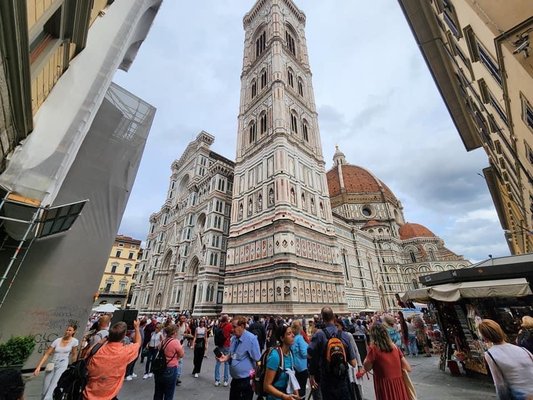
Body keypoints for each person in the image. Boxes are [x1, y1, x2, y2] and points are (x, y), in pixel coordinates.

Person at [308, 307, 358, 400]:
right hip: (343, 379)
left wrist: (312, 374)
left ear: (322, 318)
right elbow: (353, 363)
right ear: (334, 318)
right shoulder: (344, 335)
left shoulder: (319, 335)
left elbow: (310, 354)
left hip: (327, 380)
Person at [83, 320, 141, 400]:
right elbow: (138, 343)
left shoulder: (97, 349)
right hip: (109, 396)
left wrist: (106, 338)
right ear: (124, 335)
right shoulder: (125, 352)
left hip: (88, 394)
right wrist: (137, 328)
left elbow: (88, 354)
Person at [478, 319, 533, 399]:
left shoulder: (490, 354)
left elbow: (500, 384)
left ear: (485, 337)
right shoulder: (522, 350)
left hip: (521, 395)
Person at [216, 316, 261, 400]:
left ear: (242, 326)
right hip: (235, 380)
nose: (232, 329)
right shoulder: (233, 339)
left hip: (246, 381)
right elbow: (232, 354)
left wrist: (254, 379)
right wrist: (225, 358)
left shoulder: (251, 339)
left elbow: (258, 361)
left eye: (234, 327)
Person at [363, 324, 411, 400]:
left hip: (385, 386)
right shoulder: (395, 347)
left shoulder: (374, 349)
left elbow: (367, 367)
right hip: (399, 384)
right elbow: (408, 368)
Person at [34, 324, 79, 400]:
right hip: (52, 363)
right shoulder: (57, 340)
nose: (67, 331)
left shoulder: (74, 341)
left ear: (74, 331)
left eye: (70, 330)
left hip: (63, 363)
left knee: (53, 386)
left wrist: (73, 367)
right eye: (67, 329)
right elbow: (47, 354)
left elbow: (74, 354)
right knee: (45, 387)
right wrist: (38, 366)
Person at [264, 324, 300, 400]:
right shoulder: (275, 356)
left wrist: (296, 393)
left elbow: (291, 377)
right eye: (289, 334)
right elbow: (266, 386)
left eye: (292, 333)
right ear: (282, 338)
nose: (293, 335)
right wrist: (284, 396)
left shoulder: (290, 353)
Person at [153, 324, 185, 400]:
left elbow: (159, 348)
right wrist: (182, 347)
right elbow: (181, 355)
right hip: (170, 368)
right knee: (169, 393)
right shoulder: (175, 342)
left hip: (159, 368)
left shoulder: (163, 341)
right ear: (174, 333)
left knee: (158, 392)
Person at [291, 320, 309, 399]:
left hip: (294, 366)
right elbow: (304, 353)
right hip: (302, 367)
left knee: (295, 389)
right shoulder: (300, 338)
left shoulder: (292, 338)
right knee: (302, 390)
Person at [214, 314, 232, 387]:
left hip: (220, 345)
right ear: (227, 319)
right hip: (227, 345)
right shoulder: (229, 325)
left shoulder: (219, 325)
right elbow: (232, 333)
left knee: (218, 362)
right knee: (226, 363)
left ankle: (217, 380)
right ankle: (225, 380)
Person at [176, 314, 191, 386]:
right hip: (175, 343)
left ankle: (177, 377)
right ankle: (174, 376)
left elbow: (186, 333)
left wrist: (188, 335)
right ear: (179, 319)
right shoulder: (177, 325)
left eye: (184, 318)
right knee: (176, 360)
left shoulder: (186, 325)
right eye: (182, 318)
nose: (183, 319)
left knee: (180, 361)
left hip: (181, 344)